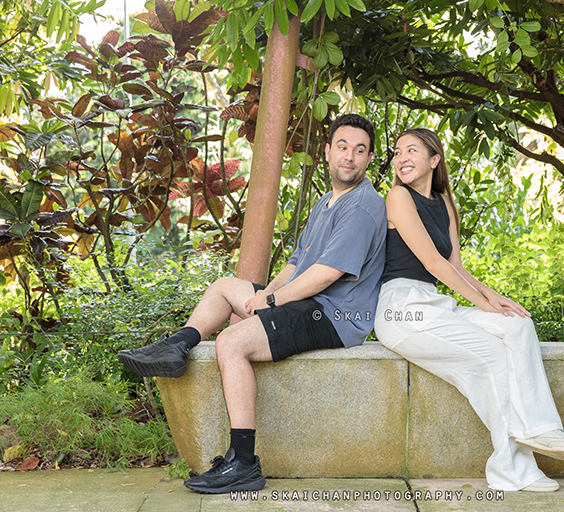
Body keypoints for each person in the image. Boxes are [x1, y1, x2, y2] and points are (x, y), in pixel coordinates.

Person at [118, 114, 387, 494]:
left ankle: (244, 463)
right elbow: (297, 262)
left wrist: (273, 299)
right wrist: (265, 295)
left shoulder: (362, 205)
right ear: (327, 151)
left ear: (369, 158)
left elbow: (327, 273)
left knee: (231, 342)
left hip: (333, 314)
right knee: (226, 285)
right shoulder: (327, 201)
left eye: (359, 151)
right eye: (342, 147)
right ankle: (177, 346)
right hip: (306, 301)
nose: (349, 157)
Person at [375, 128, 564, 493]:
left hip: (434, 304)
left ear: (434, 159)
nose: (401, 158)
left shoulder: (443, 203)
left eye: (411, 150)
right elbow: (432, 262)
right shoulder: (397, 197)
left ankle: (541, 430)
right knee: (490, 354)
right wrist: (482, 302)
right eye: (397, 152)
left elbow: (455, 266)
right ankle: (511, 467)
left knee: (517, 325)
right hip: (400, 309)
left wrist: (494, 297)